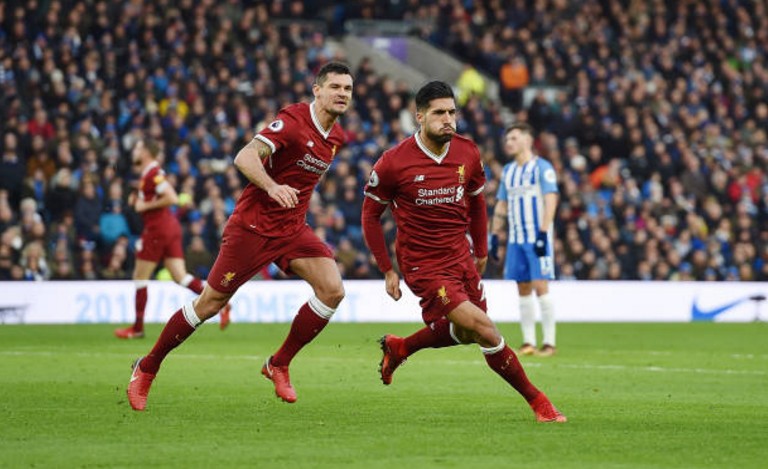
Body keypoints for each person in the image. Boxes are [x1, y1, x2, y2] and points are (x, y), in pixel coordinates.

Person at [126, 61, 354, 411]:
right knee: (209, 304)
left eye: (347, 89)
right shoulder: (292, 122)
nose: (342, 94)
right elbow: (244, 157)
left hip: (292, 229)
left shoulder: (337, 136)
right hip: (252, 229)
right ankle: (148, 366)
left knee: (333, 290)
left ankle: (278, 363)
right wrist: (273, 186)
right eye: (335, 87)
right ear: (317, 90)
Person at [361, 81, 566, 423]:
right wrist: (387, 268)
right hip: (423, 265)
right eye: (439, 113)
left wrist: (481, 249)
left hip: (461, 257)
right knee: (486, 329)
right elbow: (369, 215)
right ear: (420, 116)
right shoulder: (393, 163)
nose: (448, 120)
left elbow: (477, 202)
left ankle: (401, 347)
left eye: (452, 112)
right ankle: (539, 402)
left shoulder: (467, 152)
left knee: (467, 332)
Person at [114, 140, 231, 339]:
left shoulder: (153, 173)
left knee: (140, 278)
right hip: (169, 228)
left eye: (137, 148)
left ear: (145, 152)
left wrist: (143, 206)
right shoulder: (149, 174)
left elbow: (171, 197)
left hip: (157, 229)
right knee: (180, 276)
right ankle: (222, 302)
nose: (134, 151)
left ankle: (138, 328)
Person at [490, 123, 560, 357]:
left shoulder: (542, 167)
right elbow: (502, 203)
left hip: (537, 237)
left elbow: (551, 200)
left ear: (527, 140)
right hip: (516, 240)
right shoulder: (509, 171)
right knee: (522, 286)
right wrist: (494, 234)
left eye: (514, 138)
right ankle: (529, 342)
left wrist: (543, 233)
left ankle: (549, 343)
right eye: (507, 139)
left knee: (541, 285)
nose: (508, 142)